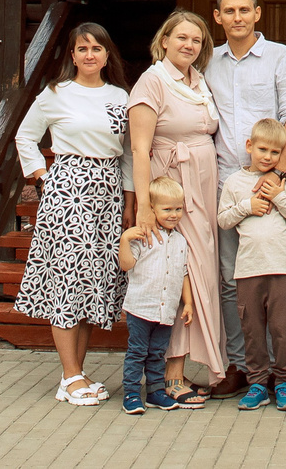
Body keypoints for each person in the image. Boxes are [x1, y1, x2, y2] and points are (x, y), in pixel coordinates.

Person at [9, 21, 133, 407]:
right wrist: (43, 177)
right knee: (67, 280)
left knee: (92, 283)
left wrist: (129, 200)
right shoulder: (55, 94)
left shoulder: (121, 97)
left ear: (107, 54)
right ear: (73, 55)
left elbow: (129, 152)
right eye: (83, 49)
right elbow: (24, 136)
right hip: (69, 192)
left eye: (97, 48)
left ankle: (76, 372)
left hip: (109, 192)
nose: (90, 55)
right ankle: (69, 374)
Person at [201, 0, 286, 398]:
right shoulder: (209, 63)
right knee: (231, 279)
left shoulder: (282, 57)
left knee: (274, 282)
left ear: (258, 13)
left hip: (273, 181)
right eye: (230, 10)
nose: (238, 17)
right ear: (218, 16)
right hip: (227, 179)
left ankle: (281, 373)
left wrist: (279, 174)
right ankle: (242, 367)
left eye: (245, 9)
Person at [128, 9, 224, 407]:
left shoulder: (198, 82)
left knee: (202, 273)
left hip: (202, 186)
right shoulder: (153, 81)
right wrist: (145, 206)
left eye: (197, 40)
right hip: (172, 187)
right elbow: (138, 147)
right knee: (180, 271)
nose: (189, 45)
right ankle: (169, 376)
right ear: (164, 40)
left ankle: (180, 368)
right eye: (181, 37)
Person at [217, 117, 286, 412]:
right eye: (263, 150)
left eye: (275, 153)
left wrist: (279, 197)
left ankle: (282, 381)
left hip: (280, 269)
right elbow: (223, 220)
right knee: (252, 329)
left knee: (282, 328)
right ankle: (256, 382)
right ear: (249, 147)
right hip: (248, 270)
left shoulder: (284, 183)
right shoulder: (234, 182)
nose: (268, 157)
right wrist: (247, 207)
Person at [116, 177, 194, 416]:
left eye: (178, 209)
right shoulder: (144, 236)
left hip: (166, 310)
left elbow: (183, 272)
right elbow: (127, 265)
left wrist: (188, 302)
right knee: (138, 351)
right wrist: (125, 239)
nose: (173, 214)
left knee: (157, 353)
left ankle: (155, 391)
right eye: (167, 209)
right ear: (152, 209)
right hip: (141, 307)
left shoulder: (181, 241)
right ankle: (130, 392)